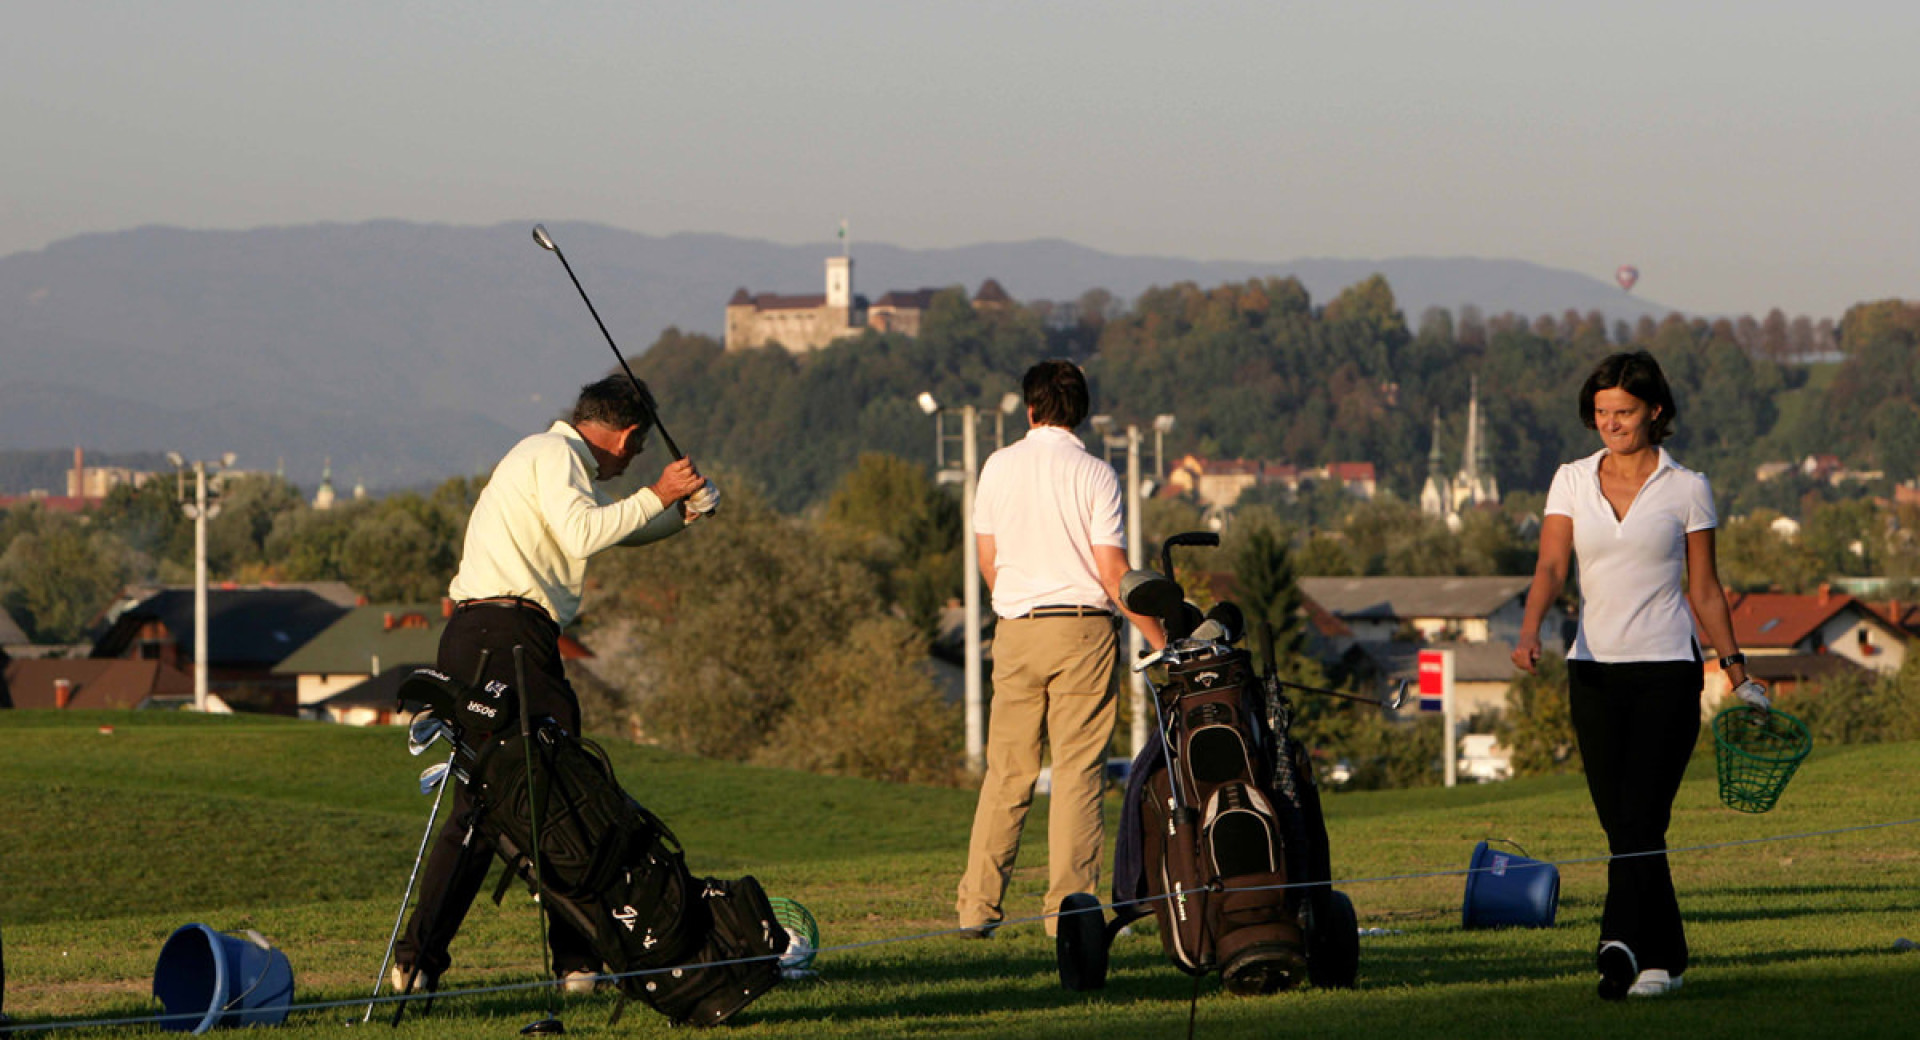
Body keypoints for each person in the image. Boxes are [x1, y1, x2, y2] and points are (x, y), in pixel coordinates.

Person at [393, 374, 717, 994]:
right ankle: (572, 962)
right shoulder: (555, 455)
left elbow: (606, 528)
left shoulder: (549, 458)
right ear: (626, 436)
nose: (638, 460)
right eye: (641, 449)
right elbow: (584, 535)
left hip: (493, 638)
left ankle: (432, 961)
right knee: (559, 792)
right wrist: (660, 490)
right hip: (503, 640)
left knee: (502, 804)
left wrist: (681, 515)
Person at [1512, 350, 1764, 1000]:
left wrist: (1736, 670)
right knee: (1624, 824)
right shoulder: (1569, 480)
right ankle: (1667, 955)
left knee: (1641, 816)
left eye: (1623, 411)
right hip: (1592, 673)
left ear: (1655, 411)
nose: (1611, 423)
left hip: (1667, 673)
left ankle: (1618, 949)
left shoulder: (1688, 487)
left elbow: (1705, 590)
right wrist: (1529, 630)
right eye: (1600, 412)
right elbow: (1548, 568)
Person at [955, 360, 1166, 938]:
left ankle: (977, 909)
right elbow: (1112, 571)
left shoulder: (997, 467)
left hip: (1017, 628)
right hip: (1083, 632)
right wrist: (1159, 638)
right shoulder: (1097, 474)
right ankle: (1066, 916)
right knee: (1077, 774)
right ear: (1082, 411)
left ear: (1030, 408)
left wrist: (1017, 606)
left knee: (1007, 773)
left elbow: (988, 560)